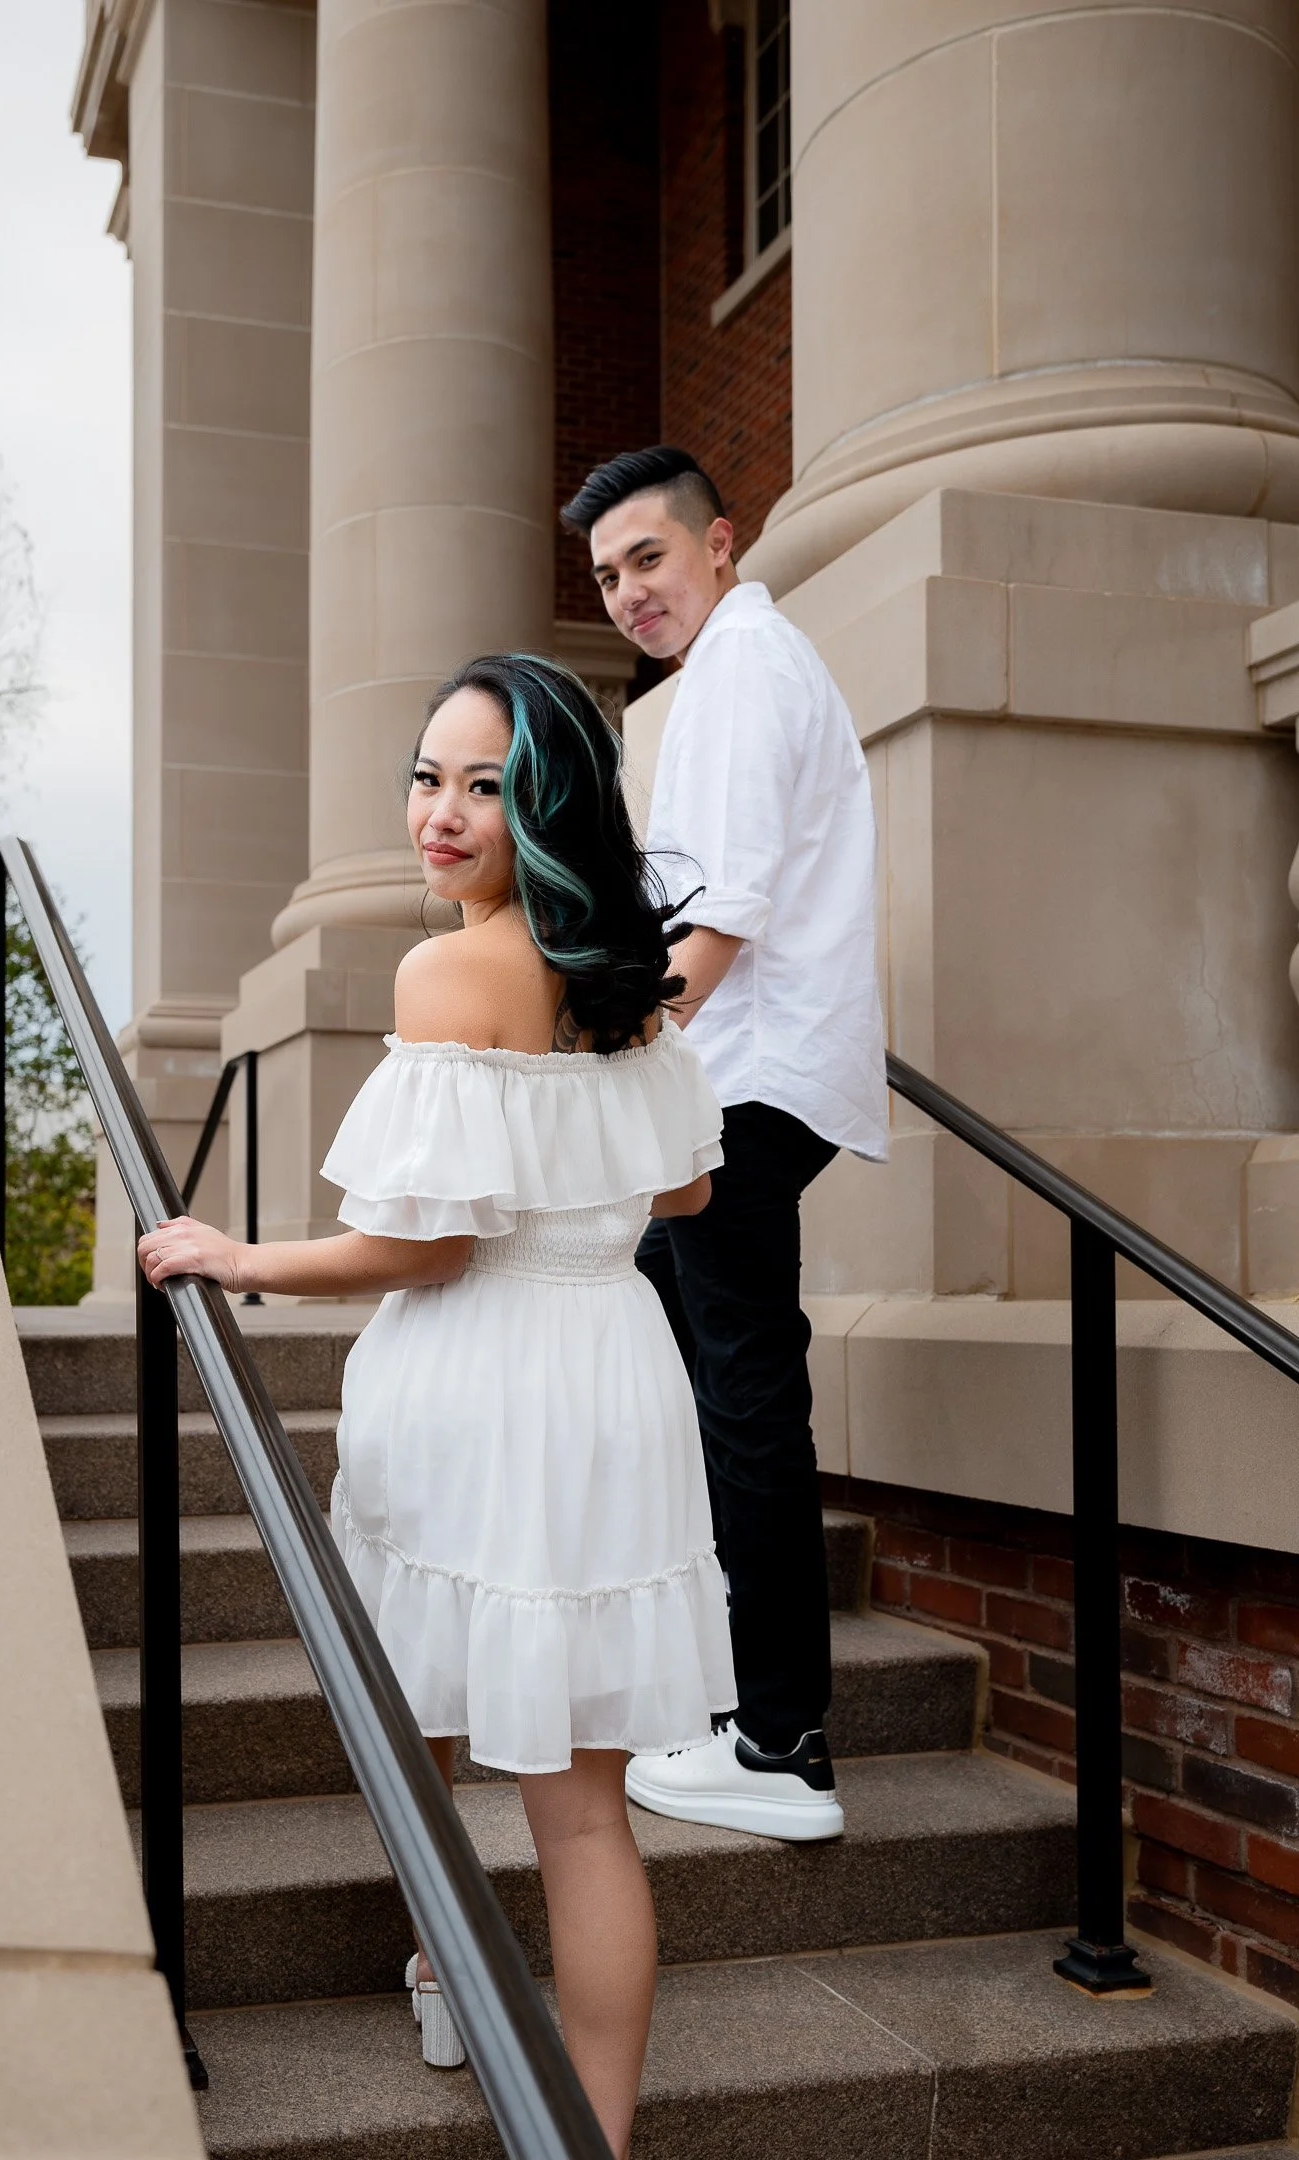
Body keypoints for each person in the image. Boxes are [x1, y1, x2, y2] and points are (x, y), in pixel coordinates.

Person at [138, 652, 736, 2159]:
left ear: (549, 804)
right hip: (616, 1374)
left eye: (487, 785)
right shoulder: (628, 984)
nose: (442, 814)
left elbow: (428, 1241)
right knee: (585, 1810)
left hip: (488, 1381)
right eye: (428, 776)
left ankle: (450, 1974)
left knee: (429, 1717)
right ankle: (576, 2122)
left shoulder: (452, 968)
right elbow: (685, 1183)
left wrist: (237, 1253)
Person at [559, 446, 888, 1842]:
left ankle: (779, 1741)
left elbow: (729, 906)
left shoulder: (747, 669)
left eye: (648, 558)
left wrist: (619, 1052)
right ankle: (721, 1695)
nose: (630, 592)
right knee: (660, 1349)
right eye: (606, 576)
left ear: (719, 543)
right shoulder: (726, 675)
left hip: (745, 1087)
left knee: (744, 1395)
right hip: (742, 1083)